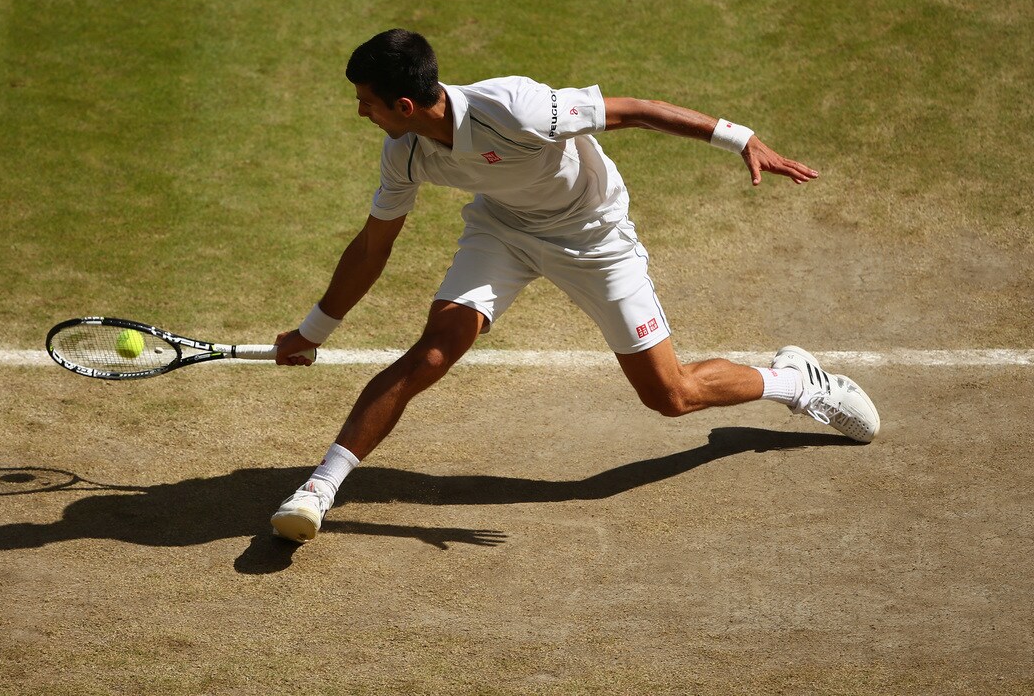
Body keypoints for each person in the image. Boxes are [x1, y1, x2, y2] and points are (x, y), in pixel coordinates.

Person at [268, 28, 879, 544]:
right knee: (433, 352)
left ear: (405, 106)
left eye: (366, 102)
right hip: (503, 231)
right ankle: (320, 488)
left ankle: (796, 382)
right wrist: (313, 331)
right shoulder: (404, 153)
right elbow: (373, 247)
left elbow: (634, 111)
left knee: (671, 395)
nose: (361, 113)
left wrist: (739, 137)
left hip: (594, 235)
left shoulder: (516, 109)